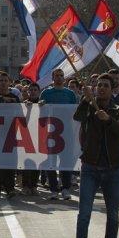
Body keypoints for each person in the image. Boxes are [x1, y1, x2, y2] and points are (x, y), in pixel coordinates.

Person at [73, 76, 119, 238]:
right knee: (84, 214)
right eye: (99, 86)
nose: (102, 88)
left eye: (106, 86)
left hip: (112, 169)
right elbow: (77, 117)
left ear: (112, 89)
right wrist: (86, 99)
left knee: (113, 214)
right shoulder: (89, 107)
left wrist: (109, 120)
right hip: (90, 167)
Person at [40, 68, 79, 200]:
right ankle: (53, 189)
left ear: (64, 78)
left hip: (67, 132)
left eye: (61, 75)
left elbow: (76, 113)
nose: (59, 77)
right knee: (50, 161)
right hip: (51, 133)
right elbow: (40, 112)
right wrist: (41, 105)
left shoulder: (70, 94)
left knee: (65, 161)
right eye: (56, 75)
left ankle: (66, 188)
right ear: (52, 77)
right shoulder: (45, 93)